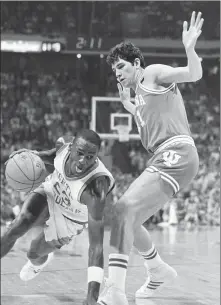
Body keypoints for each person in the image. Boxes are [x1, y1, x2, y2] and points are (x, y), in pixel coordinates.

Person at [98, 11, 203, 304]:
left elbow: (193, 74)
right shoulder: (140, 98)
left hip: (177, 152)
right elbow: (146, 113)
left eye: (121, 67)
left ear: (135, 64)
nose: (117, 73)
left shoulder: (153, 73)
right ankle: (155, 269)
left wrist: (190, 50)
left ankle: (116, 292)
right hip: (165, 155)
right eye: (114, 70)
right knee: (127, 218)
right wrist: (127, 106)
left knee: (121, 211)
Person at [1, 129, 115, 305]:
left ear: (97, 156)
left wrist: (91, 298)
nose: (83, 161)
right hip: (52, 191)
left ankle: (37, 264)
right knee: (18, 224)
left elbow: (96, 246)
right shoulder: (63, 145)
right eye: (80, 153)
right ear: (71, 148)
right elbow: (50, 156)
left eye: (90, 157)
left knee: (33, 252)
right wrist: (32, 155)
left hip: (70, 218)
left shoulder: (95, 189)